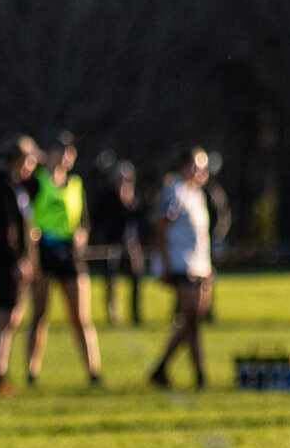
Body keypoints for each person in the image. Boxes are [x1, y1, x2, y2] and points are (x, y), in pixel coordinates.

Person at [28, 132, 104, 386]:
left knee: (80, 318)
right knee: (39, 315)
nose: (66, 157)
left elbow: (84, 221)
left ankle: (93, 371)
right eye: (61, 151)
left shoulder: (75, 185)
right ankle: (31, 372)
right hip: (43, 256)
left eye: (70, 152)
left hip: (69, 255)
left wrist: (82, 235)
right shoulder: (36, 182)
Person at [147, 148, 215, 389]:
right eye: (197, 167)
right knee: (190, 319)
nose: (201, 172)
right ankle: (200, 375)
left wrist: (207, 266)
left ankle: (161, 369)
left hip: (198, 265)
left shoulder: (196, 195)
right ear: (184, 167)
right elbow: (160, 228)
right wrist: (164, 263)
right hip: (180, 264)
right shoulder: (173, 192)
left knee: (191, 320)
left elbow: (199, 236)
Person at [0, 135, 40, 392]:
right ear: (19, 159)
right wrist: (16, 261)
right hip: (5, 262)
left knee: (12, 319)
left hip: (17, 261)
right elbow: (5, 229)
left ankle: (0, 374)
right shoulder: (1, 185)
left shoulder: (18, 186)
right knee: (4, 317)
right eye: (29, 160)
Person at [91, 158, 147, 327]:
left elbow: (140, 219)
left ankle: (135, 313)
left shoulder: (134, 198)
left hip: (130, 245)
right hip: (111, 244)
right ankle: (112, 313)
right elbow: (99, 221)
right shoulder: (106, 198)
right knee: (111, 279)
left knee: (136, 276)